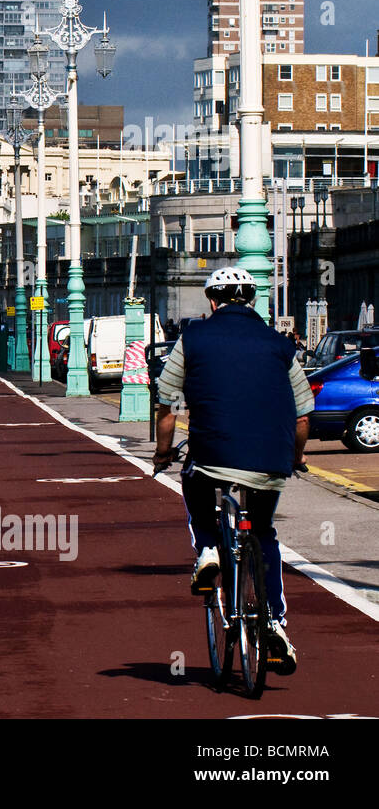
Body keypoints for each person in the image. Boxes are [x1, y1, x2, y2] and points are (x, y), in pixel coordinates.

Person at [152, 267, 313, 675]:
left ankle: (207, 548)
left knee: (194, 480)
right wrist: (295, 459)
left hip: (212, 456)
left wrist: (162, 453)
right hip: (270, 461)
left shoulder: (193, 339)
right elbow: (302, 419)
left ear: (211, 301)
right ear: (254, 300)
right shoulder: (280, 345)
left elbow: (168, 405)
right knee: (263, 533)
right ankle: (274, 622)